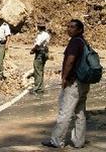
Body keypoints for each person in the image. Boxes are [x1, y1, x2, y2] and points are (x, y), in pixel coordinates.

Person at [42, 19, 90, 149]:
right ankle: (79, 142)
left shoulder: (75, 42)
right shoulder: (83, 42)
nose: (69, 29)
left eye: (73, 27)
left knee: (65, 112)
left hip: (73, 82)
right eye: (68, 26)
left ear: (80, 30)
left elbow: (70, 60)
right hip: (83, 82)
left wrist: (64, 78)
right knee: (80, 113)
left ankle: (57, 141)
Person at [30, 21, 50, 94]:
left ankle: (37, 88)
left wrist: (32, 50)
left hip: (40, 53)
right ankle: (40, 87)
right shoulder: (46, 34)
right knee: (40, 70)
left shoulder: (42, 35)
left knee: (37, 70)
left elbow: (38, 44)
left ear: (39, 27)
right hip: (43, 52)